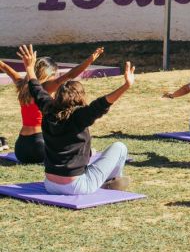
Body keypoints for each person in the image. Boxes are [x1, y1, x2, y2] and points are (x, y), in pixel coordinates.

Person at [17, 44, 134, 195]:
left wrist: (30, 68)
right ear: (80, 98)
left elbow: (35, 88)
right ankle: (112, 181)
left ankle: (109, 181)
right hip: (76, 187)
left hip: (50, 185)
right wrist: (126, 85)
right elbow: (102, 103)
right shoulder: (79, 116)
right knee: (120, 147)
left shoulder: (48, 109)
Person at [0, 47, 105, 162]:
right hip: (40, 146)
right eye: (54, 74)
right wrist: (89, 60)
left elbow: (5, 67)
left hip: (21, 149)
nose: (55, 77)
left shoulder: (22, 85)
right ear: (47, 73)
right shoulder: (45, 87)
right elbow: (70, 75)